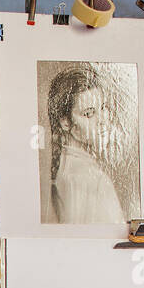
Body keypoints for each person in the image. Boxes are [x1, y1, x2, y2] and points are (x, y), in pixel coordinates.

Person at [45, 65, 125, 224]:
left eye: (103, 108)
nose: (103, 120)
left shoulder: (67, 166)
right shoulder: (91, 178)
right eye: (88, 114)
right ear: (65, 122)